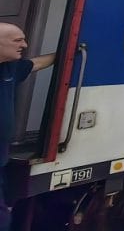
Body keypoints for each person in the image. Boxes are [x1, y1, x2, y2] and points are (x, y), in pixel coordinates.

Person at [0, 23, 55, 230]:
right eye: (17, 40)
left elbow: (37, 63)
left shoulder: (10, 68)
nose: (24, 44)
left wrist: (67, 52)